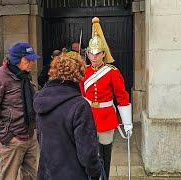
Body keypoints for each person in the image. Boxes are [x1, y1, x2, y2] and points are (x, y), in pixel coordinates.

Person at [79, 17, 133, 179]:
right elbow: (81, 94)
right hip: (87, 117)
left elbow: (122, 96)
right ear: (87, 53)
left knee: (104, 154)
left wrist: (127, 122)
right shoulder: (83, 71)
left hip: (106, 117)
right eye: (90, 53)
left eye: (97, 53)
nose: (93, 57)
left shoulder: (112, 72)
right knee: (88, 154)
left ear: (103, 54)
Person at [34, 53, 102, 180]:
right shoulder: (80, 105)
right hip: (73, 173)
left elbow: (40, 137)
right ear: (79, 74)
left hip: (47, 172)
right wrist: (95, 172)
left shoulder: (41, 99)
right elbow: (87, 152)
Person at [0, 42, 41, 180]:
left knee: (32, 176)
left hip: (30, 136)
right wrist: (8, 137)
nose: (32, 63)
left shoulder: (25, 76)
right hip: (11, 141)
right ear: (16, 60)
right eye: (28, 59)